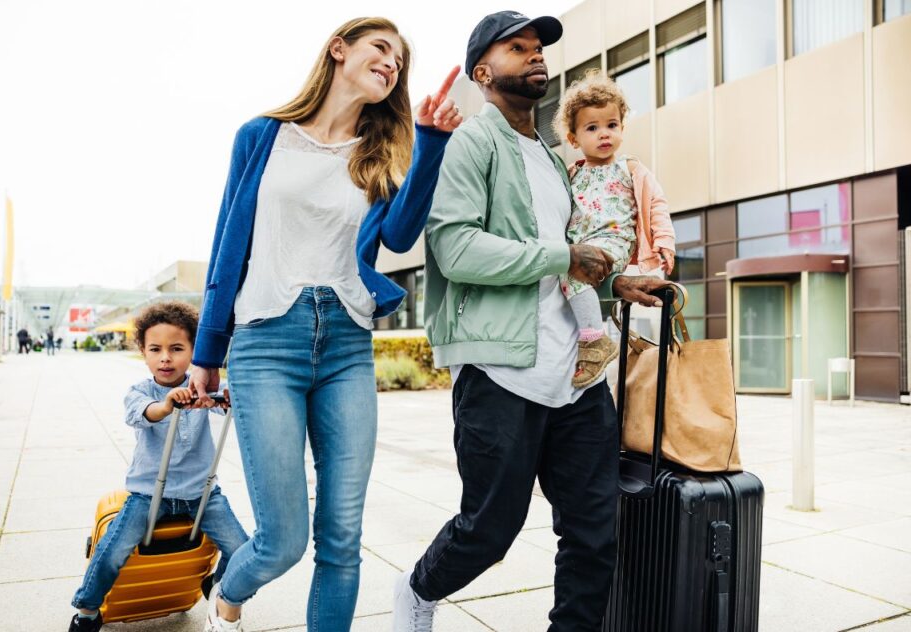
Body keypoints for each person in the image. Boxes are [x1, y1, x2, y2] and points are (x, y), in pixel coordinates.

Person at [391, 11, 669, 632]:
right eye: (518, 48)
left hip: (577, 376)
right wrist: (562, 255)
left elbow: (562, 260)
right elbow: (455, 247)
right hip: (502, 372)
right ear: (484, 72)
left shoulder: (549, 157)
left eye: (538, 47)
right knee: (489, 530)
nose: (535, 55)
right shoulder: (473, 142)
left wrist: (616, 279)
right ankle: (417, 589)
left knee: (595, 532)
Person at [188, 17, 462, 632]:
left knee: (342, 536)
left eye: (400, 59)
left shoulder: (383, 152)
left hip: (345, 341)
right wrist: (209, 350)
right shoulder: (261, 137)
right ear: (339, 49)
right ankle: (229, 594)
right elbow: (227, 246)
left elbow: (398, 234)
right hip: (267, 342)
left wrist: (431, 141)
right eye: (380, 48)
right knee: (282, 539)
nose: (391, 63)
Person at [68, 301, 248, 632]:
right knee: (113, 550)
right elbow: (143, 412)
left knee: (242, 549)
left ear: (194, 352)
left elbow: (229, 402)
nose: (165, 357)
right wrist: (167, 404)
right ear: (143, 352)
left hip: (201, 492)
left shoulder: (203, 388)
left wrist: (226, 396)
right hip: (148, 492)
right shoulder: (140, 391)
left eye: (177, 348)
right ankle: (88, 608)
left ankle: (219, 585)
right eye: (156, 349)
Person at [556, 70, 675, 387]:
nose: (604, 134)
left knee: (573, 274)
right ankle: (591, 334)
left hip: (612, 242)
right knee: (570, 276)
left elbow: (656, 203)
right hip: (581, 245)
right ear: (573, 138)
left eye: (612, 125)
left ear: (622, 127)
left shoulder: (630, 168)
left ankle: (594, 341)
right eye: (592, 128)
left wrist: (664, 240)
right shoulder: (572, 174)